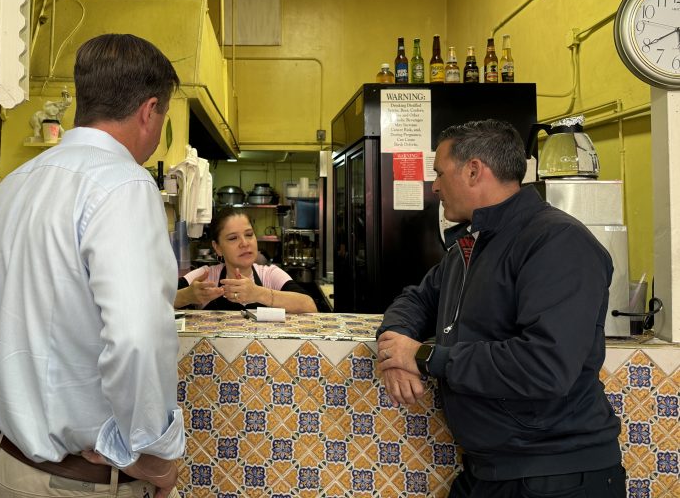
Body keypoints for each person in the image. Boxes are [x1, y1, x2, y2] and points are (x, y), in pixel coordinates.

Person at [0, 34, 185, 498]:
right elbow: (136, 338)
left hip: (0, 464)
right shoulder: (124, 185)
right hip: (73, 483)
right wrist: (153, 454)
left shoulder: (13, 185)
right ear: (149, 110)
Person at [376, 119, 625, 498]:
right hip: (491, 471)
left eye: (440, 173)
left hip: (556, 478)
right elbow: (418, 298)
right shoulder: (473, 242)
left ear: (474, 170)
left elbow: (545, 366)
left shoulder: (557, 242)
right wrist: (395, 340)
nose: (436, 186)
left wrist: (426, 356)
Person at [175, 207, 317, 313]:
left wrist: (258, 293)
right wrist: (187, 296)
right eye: (232, 238)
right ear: (217, 247)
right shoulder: (206, 277)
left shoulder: (269, 275)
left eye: (249, 235)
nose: (244, 243)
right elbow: (158, 303)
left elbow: (310, 306)